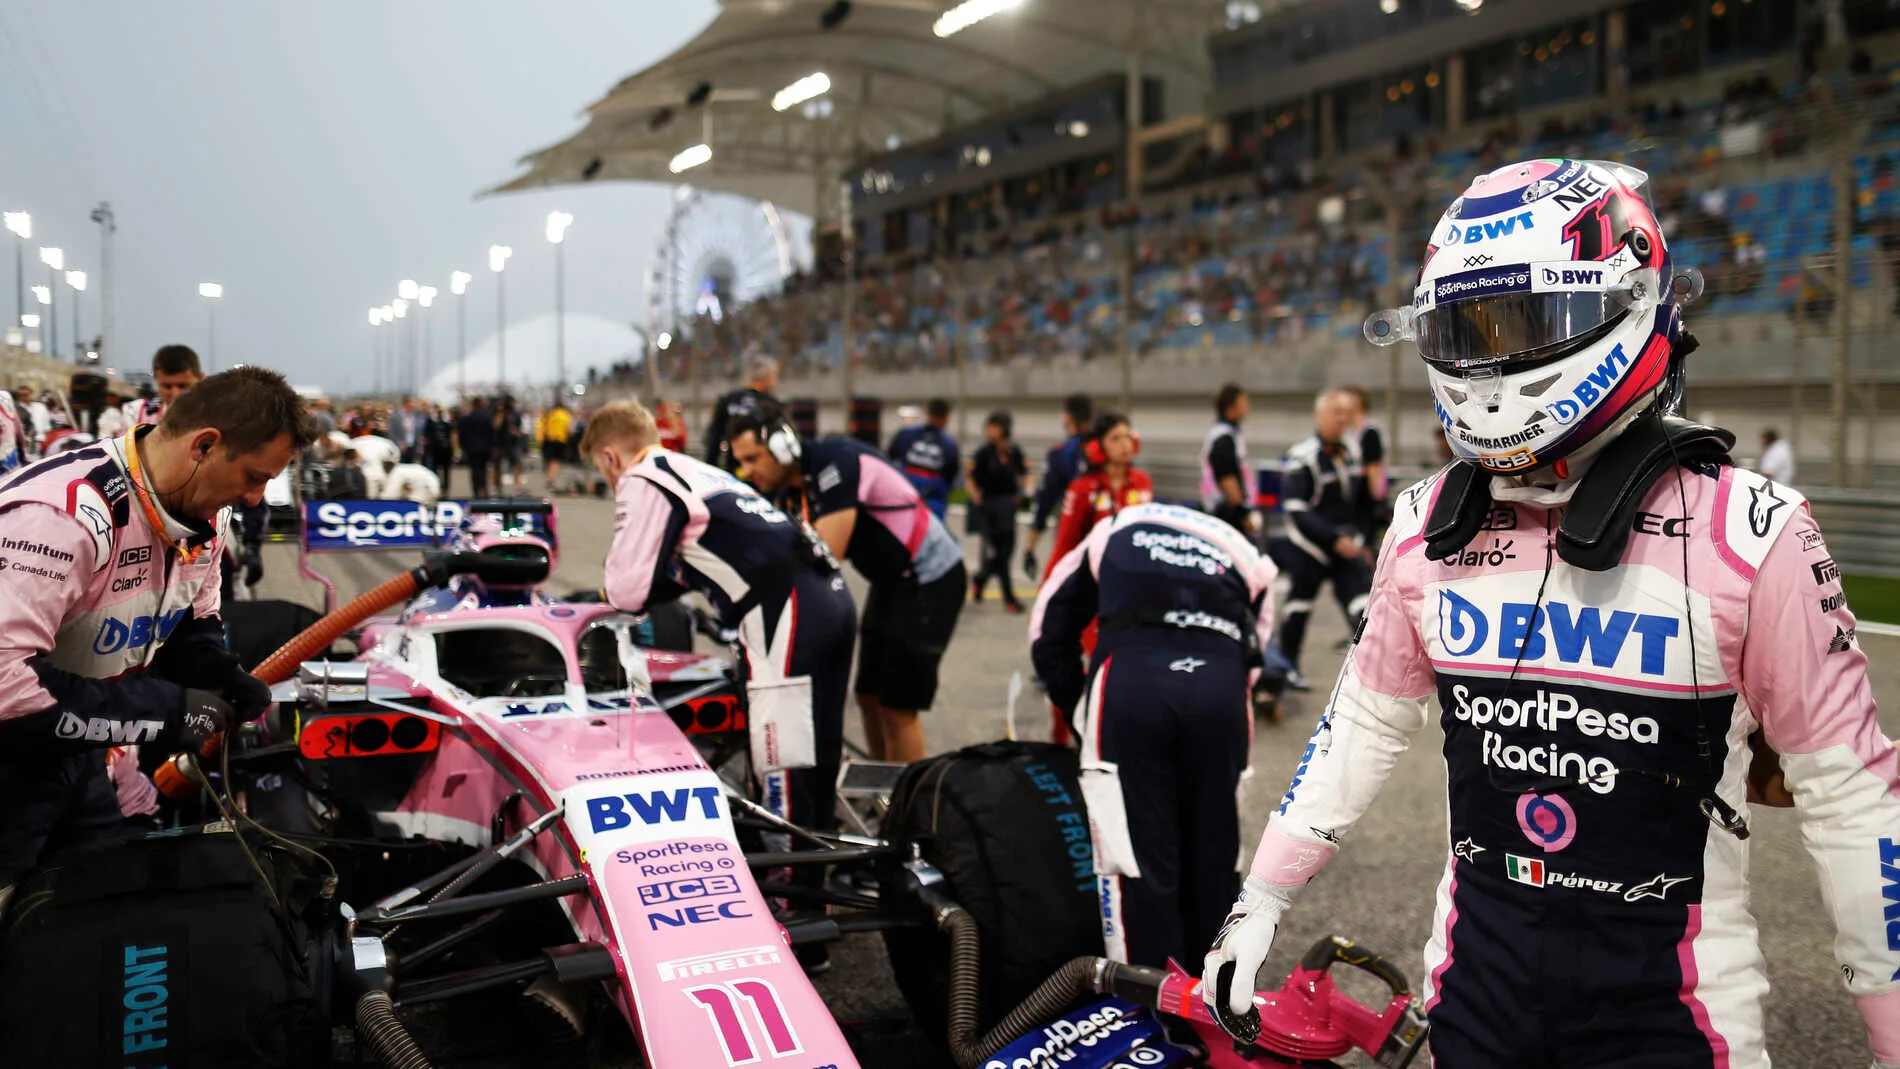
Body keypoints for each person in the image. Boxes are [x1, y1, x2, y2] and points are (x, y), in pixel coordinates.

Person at [1202, 158, 1900, 1069]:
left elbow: (1853, 800)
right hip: (1472, 994)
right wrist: (1261, 898)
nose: (1490, 356)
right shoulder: (1422, 523)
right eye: (1464, 328)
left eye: (1525, 320)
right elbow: (1361, 724)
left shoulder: (1755, 530)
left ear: (1630, 298)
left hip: (1677, 1014)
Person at [0, 367, 315, 911]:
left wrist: (215, 669)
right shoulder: (61, 517)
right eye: (254, 476)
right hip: (10, 759)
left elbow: (192, 616)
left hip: (78, 750)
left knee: (111, 930)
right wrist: (171, 711)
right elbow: (6, 687)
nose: (258, 498)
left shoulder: (203, 516)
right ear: (204, 446)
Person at [584, 401, 854, 862]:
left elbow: (627, 591)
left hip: (782, 610)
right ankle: (819, 875)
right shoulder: (698, 469)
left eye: (602, 470)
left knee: (781, 760)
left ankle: (791, 902)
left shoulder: (644, 477)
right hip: (830, 597)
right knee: (819, 752)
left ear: (610, 457)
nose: (610, 482)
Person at [1031, 502, 1276, 969]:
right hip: (1219, 690)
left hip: (1131, 679)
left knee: (1135, 859)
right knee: (1217, 851)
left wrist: (1079, 709)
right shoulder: (1245, 550)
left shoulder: (1115, 526)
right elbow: (1257, 650)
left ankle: (1154, 1014)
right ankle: (1220, 999)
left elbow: (1048, 626)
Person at [729, 404, 965, 764]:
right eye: (741, 461)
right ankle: (885, 791)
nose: (747, 470)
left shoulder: (834, 462)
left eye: (754, 458)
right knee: (868, 696)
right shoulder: (790, 488)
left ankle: (911, 805)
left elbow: (825, 556)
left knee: (897, 707)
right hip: (892, 581)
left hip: (930, 577)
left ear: (782, 446)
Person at [1271, 389, 1373, 691]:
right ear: (1320, 416)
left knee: (1364, 608)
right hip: (1310, 548)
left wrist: (1363, 540)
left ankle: (1371, 678)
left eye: (1346, 413)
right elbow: (1295, 508)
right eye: (1336, 413)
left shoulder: (1353, 452)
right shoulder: (1303, 457)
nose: (1343, 419)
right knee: (1297, 609)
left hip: (1347, 548)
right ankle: (1286, 669)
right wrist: (1331, 539)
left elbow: (1361, 503)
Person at [1024, 392, 1092, 577]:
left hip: (1073, 534)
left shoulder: (1061, 454)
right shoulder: (1110, 451)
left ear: (1067, 417)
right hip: (1110, 537)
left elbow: (1043, 502)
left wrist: (1030, 548)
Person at [967, 411, 1028, 611]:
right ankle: (1009, 599)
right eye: (989, 427)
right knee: (999, 552)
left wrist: (1026, 491)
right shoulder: (983, 453)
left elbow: (1025, 473)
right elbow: (970, 477)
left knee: (1006, 552)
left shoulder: (1013, 452)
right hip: (989, 506)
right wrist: (974, 494)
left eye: (995, 427)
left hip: (1008, 506)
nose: (991, 431)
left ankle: (980, 579)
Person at [885, 397, 960, 520]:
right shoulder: (949, 444)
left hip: (905, 498)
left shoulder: (906, 434)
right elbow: (951, 475)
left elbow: (889, 458)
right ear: (946, 418)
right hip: (933, 504)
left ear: (928, 414)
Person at [705, 354, 780, 471]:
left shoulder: (729, 399)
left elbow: (714, 437)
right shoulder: (771, 404)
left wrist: (710, 467)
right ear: (768, 377)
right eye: (775, 376)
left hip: (733, 466)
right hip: (761, 471)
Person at [1200, 382, 1252, 532]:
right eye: (1243, 402)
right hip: (1225, 515)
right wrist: (1243, 514)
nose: (1247, 407)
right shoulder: (1224, 439)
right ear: (1230, 409)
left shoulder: (1229, 435)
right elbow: (1227, 479)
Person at [120, 345, 203, 431]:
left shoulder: (214, 414)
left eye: (183, 386)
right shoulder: (135, 413)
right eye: (167, 387)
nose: (175, 394)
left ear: (201, 378)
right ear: (155, 379)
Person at [457, 396, 495, 498]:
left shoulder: (467, 418)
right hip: (485, 448)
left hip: (472, 449)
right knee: (483, 469)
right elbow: (491, 433)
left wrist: (464, 446)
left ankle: (476, 490)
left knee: (474, 470)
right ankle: (483, 488)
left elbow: (462, 434)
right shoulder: (487, 418)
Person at [539, 400, 574, 492]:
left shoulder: (550, 414)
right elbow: (569, 430)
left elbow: (544, 427)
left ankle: (550, 476)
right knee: (556, 461)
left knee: (550, 460)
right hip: (561, 440)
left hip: (550, 439)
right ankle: (551, 478)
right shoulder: (566, 415)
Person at [494, 396, 525, 493]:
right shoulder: (500, 413)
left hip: (513, 443)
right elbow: (496, 425)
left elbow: (519, 428)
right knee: (498, 465)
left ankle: (518, 486)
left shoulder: (516, 414)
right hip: (500, 442)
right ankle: (497, 486)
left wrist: (516, 432)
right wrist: (500, 413)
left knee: (516, 464)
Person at [423, 405, 456, 492]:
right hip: (436, 449)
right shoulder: (431, 421)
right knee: (436, 470)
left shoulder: (447, 421)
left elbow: (452, 435)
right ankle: (438, 487)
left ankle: (445, 489)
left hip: (445, 449)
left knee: (445, 470)